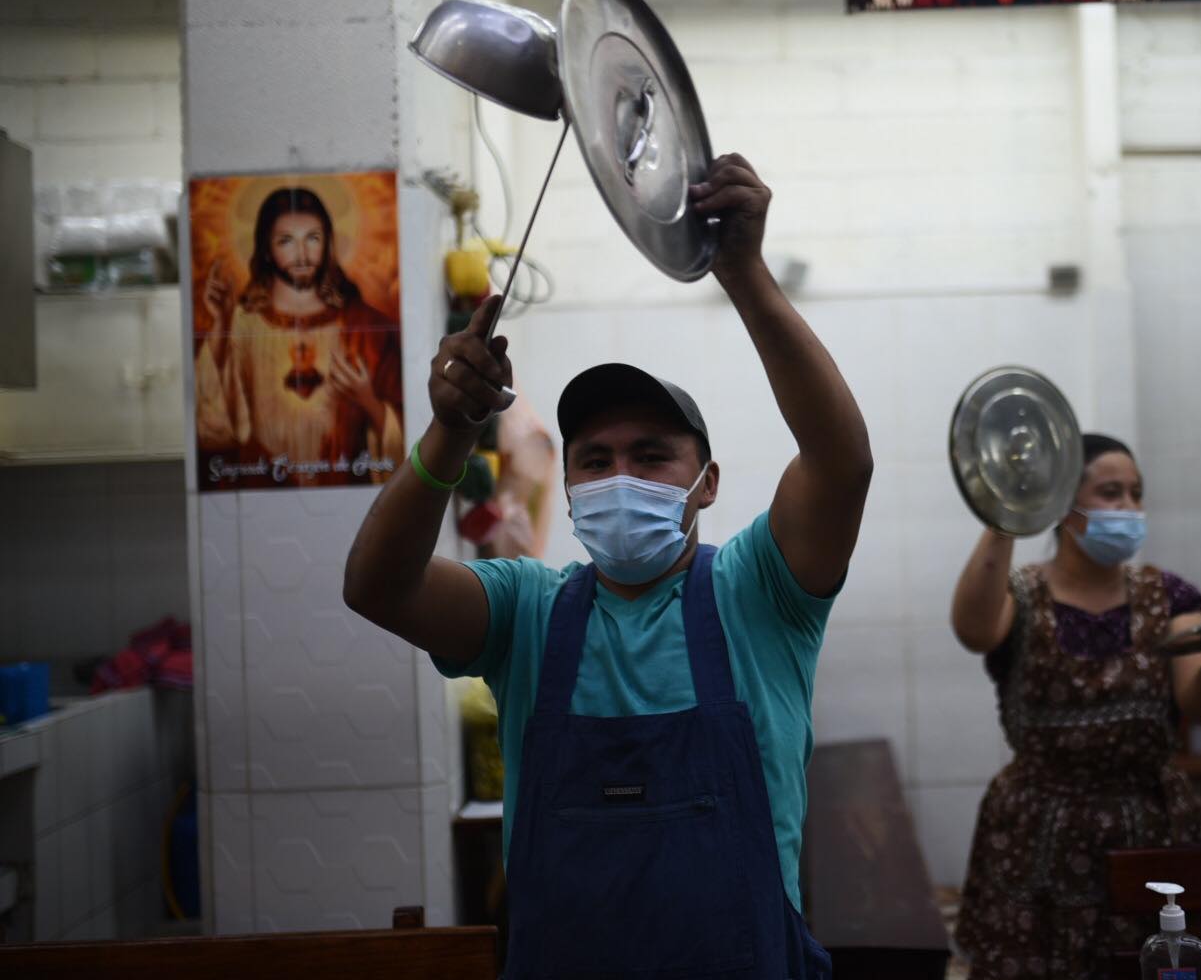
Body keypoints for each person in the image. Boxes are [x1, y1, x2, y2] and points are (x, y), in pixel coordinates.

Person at [344, 154, 871, 980]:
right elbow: (377, 587)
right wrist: (449, 433)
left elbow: (840, 462)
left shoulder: (760, 593)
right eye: (595, 459)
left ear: (707, 484)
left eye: (652, 455)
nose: (620, 475)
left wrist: (743, 274)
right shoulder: (527, 611)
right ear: (569, 480)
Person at [950, 434, 1201, 979]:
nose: (1129, 508)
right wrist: (1007, 508)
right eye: (1110, 493)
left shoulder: (1171, 597)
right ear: (1062, 505)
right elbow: (974, 630)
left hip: (1149, 824)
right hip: (1036, 834)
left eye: (1136, 494)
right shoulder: (1021, 595)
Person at [195, 186, 404, 487]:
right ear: (266, 248)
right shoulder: (241, 324)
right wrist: (220, 325)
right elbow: (213, 428)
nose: (302, 255)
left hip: (345, 492)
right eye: (286, 241)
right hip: (264, 489)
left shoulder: (365, 326)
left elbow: (412, 436)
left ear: (328, 243)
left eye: (313, 239)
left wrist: (368, 400)